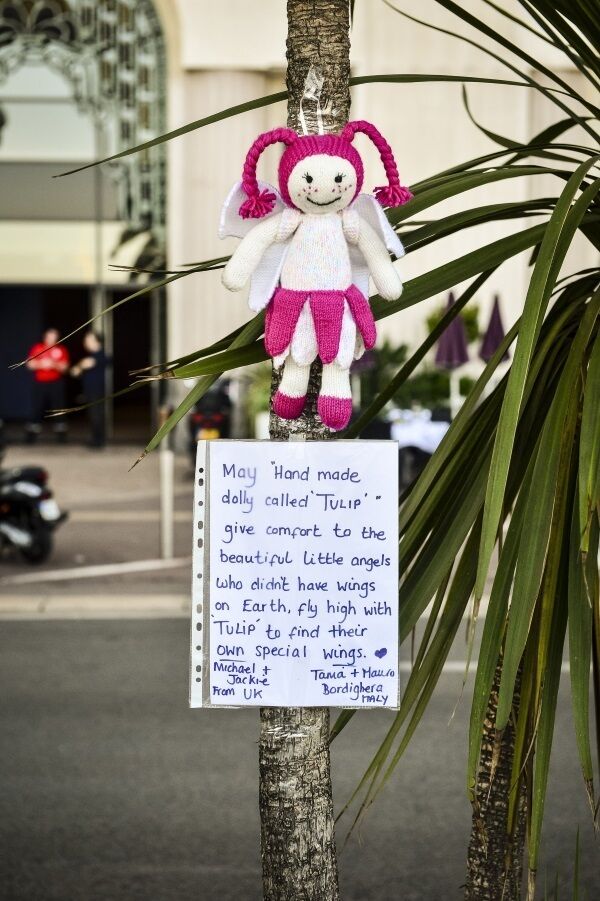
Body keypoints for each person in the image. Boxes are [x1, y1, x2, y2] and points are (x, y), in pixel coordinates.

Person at [25, 328, 70, 443]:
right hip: (40, 383)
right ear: (45, 337)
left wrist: (54, 364)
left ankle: (61, 436)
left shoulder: (61, 349)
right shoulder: (38, 348)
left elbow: (65, 368)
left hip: (55, 383)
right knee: (37, 408)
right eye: (49, 336)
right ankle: (31, 435)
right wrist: (41, 364)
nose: (51, 339)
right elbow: (29, 365)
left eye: (54, 337)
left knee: (58, 408)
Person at [71, 332, 108, 448]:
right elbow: (74, 371)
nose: (86, 343)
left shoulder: (100, 355)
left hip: (96, 390)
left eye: (88, 340)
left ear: (97, 342)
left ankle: (98, 440)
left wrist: (79, 366)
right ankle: (96, 438)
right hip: (90, 390)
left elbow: (85, 365)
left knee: (96, 415)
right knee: (93, 415)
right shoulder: (92, 355)